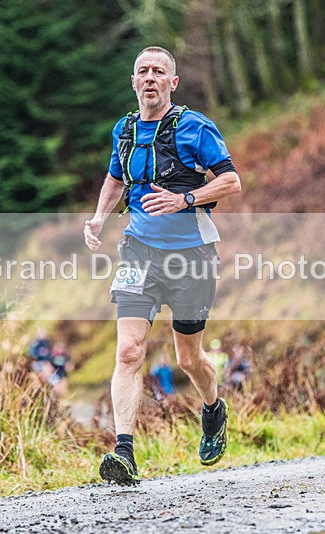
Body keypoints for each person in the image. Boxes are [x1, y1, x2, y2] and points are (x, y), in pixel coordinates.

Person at [83, 46, 241, 485]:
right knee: (129, 349)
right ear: (133, 81)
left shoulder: (194, 126)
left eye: (159, 71)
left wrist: (184, 199)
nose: (149, 77)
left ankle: (212, 408)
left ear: (172, 82)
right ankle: (124, 452)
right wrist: (98, 217)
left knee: (188, 358)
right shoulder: (125, 130)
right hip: (138, 252)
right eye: (142, 71)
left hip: (192, 256)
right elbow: (116, 178)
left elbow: (231, 180)